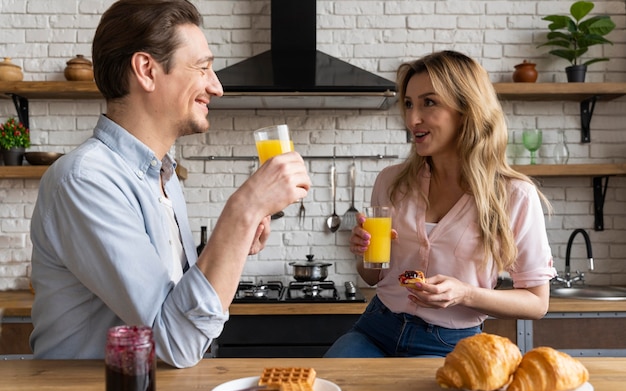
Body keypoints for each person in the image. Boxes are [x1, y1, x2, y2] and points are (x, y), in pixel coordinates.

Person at [29, 0, 310, 368]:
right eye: (203, 68)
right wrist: (243, 210)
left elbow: (178, 307)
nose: (217, 87)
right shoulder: (86, 181)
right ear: (146, 70)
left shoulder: (162, 175)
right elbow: (175, 342)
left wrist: (236, 241)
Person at [324, 50, 555, 358]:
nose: (411, 119)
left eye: (428, 103)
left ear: (466, 110)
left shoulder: (514, 195)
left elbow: (537, 303)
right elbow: (373, 277)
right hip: (375, 330)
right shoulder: (391, 182)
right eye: (408, 103)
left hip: (447, 344)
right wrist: (365, 255)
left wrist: (465, 293)